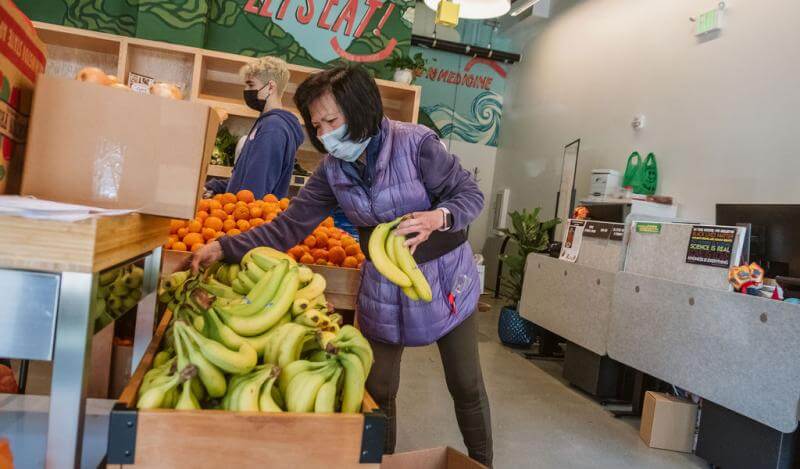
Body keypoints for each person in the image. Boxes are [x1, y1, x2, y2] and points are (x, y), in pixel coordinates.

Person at [190, 65, 492, 466]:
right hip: (383, 286)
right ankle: (381, 463)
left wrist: (439, 217)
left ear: (361, 108)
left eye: (332, 119)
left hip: (446, 280)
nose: (326, 132)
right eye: (318, 125)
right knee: (378, 387)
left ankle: (482, 462)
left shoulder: (416, 144)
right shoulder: (332, 171)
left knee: (466, 384)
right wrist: (225, 247)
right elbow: (288, 227)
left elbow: (469, 193)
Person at [205, 56, 304, 199]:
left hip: (249, 218)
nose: (246, 90)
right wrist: (215, 187)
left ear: (270, 86)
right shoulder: (266, 123)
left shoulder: (273, 128)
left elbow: (254, 192)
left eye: (251, 85)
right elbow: (245, 180)